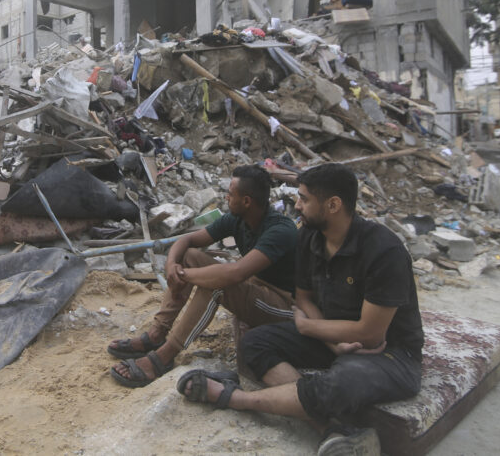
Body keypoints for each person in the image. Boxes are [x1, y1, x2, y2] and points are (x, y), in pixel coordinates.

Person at [175, 164, 423, 456]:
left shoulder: (383, 251)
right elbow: (303, 298)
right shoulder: (309, 236)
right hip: (331, 333)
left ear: (333, 205)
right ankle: (330, 427)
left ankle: (232, 397)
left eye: (304, 198)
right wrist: (330, 340)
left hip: (390, 353)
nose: (297, 204)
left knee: (341, 381)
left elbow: (370, 333)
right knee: (255, 343)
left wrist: (308, 327)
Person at [108, 165, 298, 387]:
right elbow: (187, 242)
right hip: (255, 288)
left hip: (283, 305)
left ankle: (163, 358)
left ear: (247, 201)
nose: (226, 198)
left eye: (230, 194)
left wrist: (185, 275)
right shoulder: (238, 219)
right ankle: (157, 334)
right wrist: (172, 265)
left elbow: (236, 273)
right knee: (189, 256)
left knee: (219, 284)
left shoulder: (280, 230)